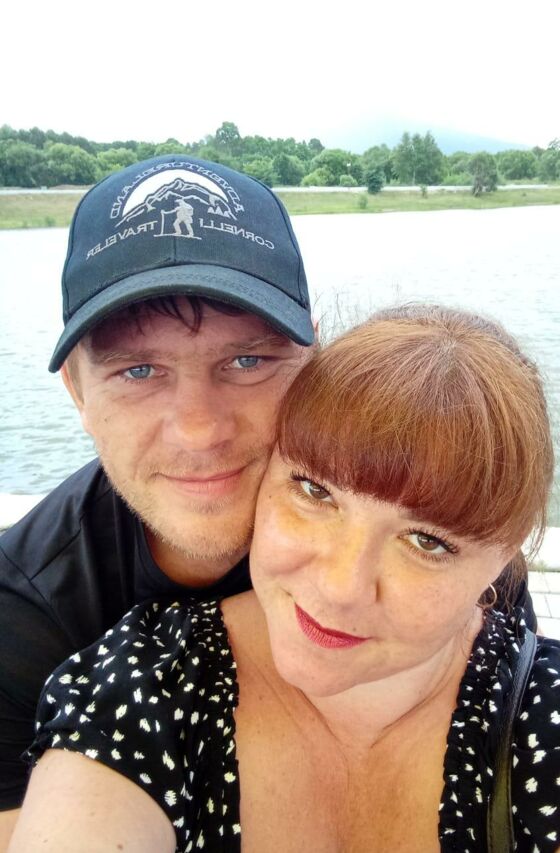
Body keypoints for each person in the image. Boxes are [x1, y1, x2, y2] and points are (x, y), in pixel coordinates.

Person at [9, 306, 560, 852]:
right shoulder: (135, 688)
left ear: (504, 559)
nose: (341, 588)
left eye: (428, 542)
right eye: (315, 492)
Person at [0, 153, 316, 843]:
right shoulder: (18, 619)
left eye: (248, 361)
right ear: (78, 392)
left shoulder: (424, 537)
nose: (199, 429)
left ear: (312, 361)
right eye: (139, 370)